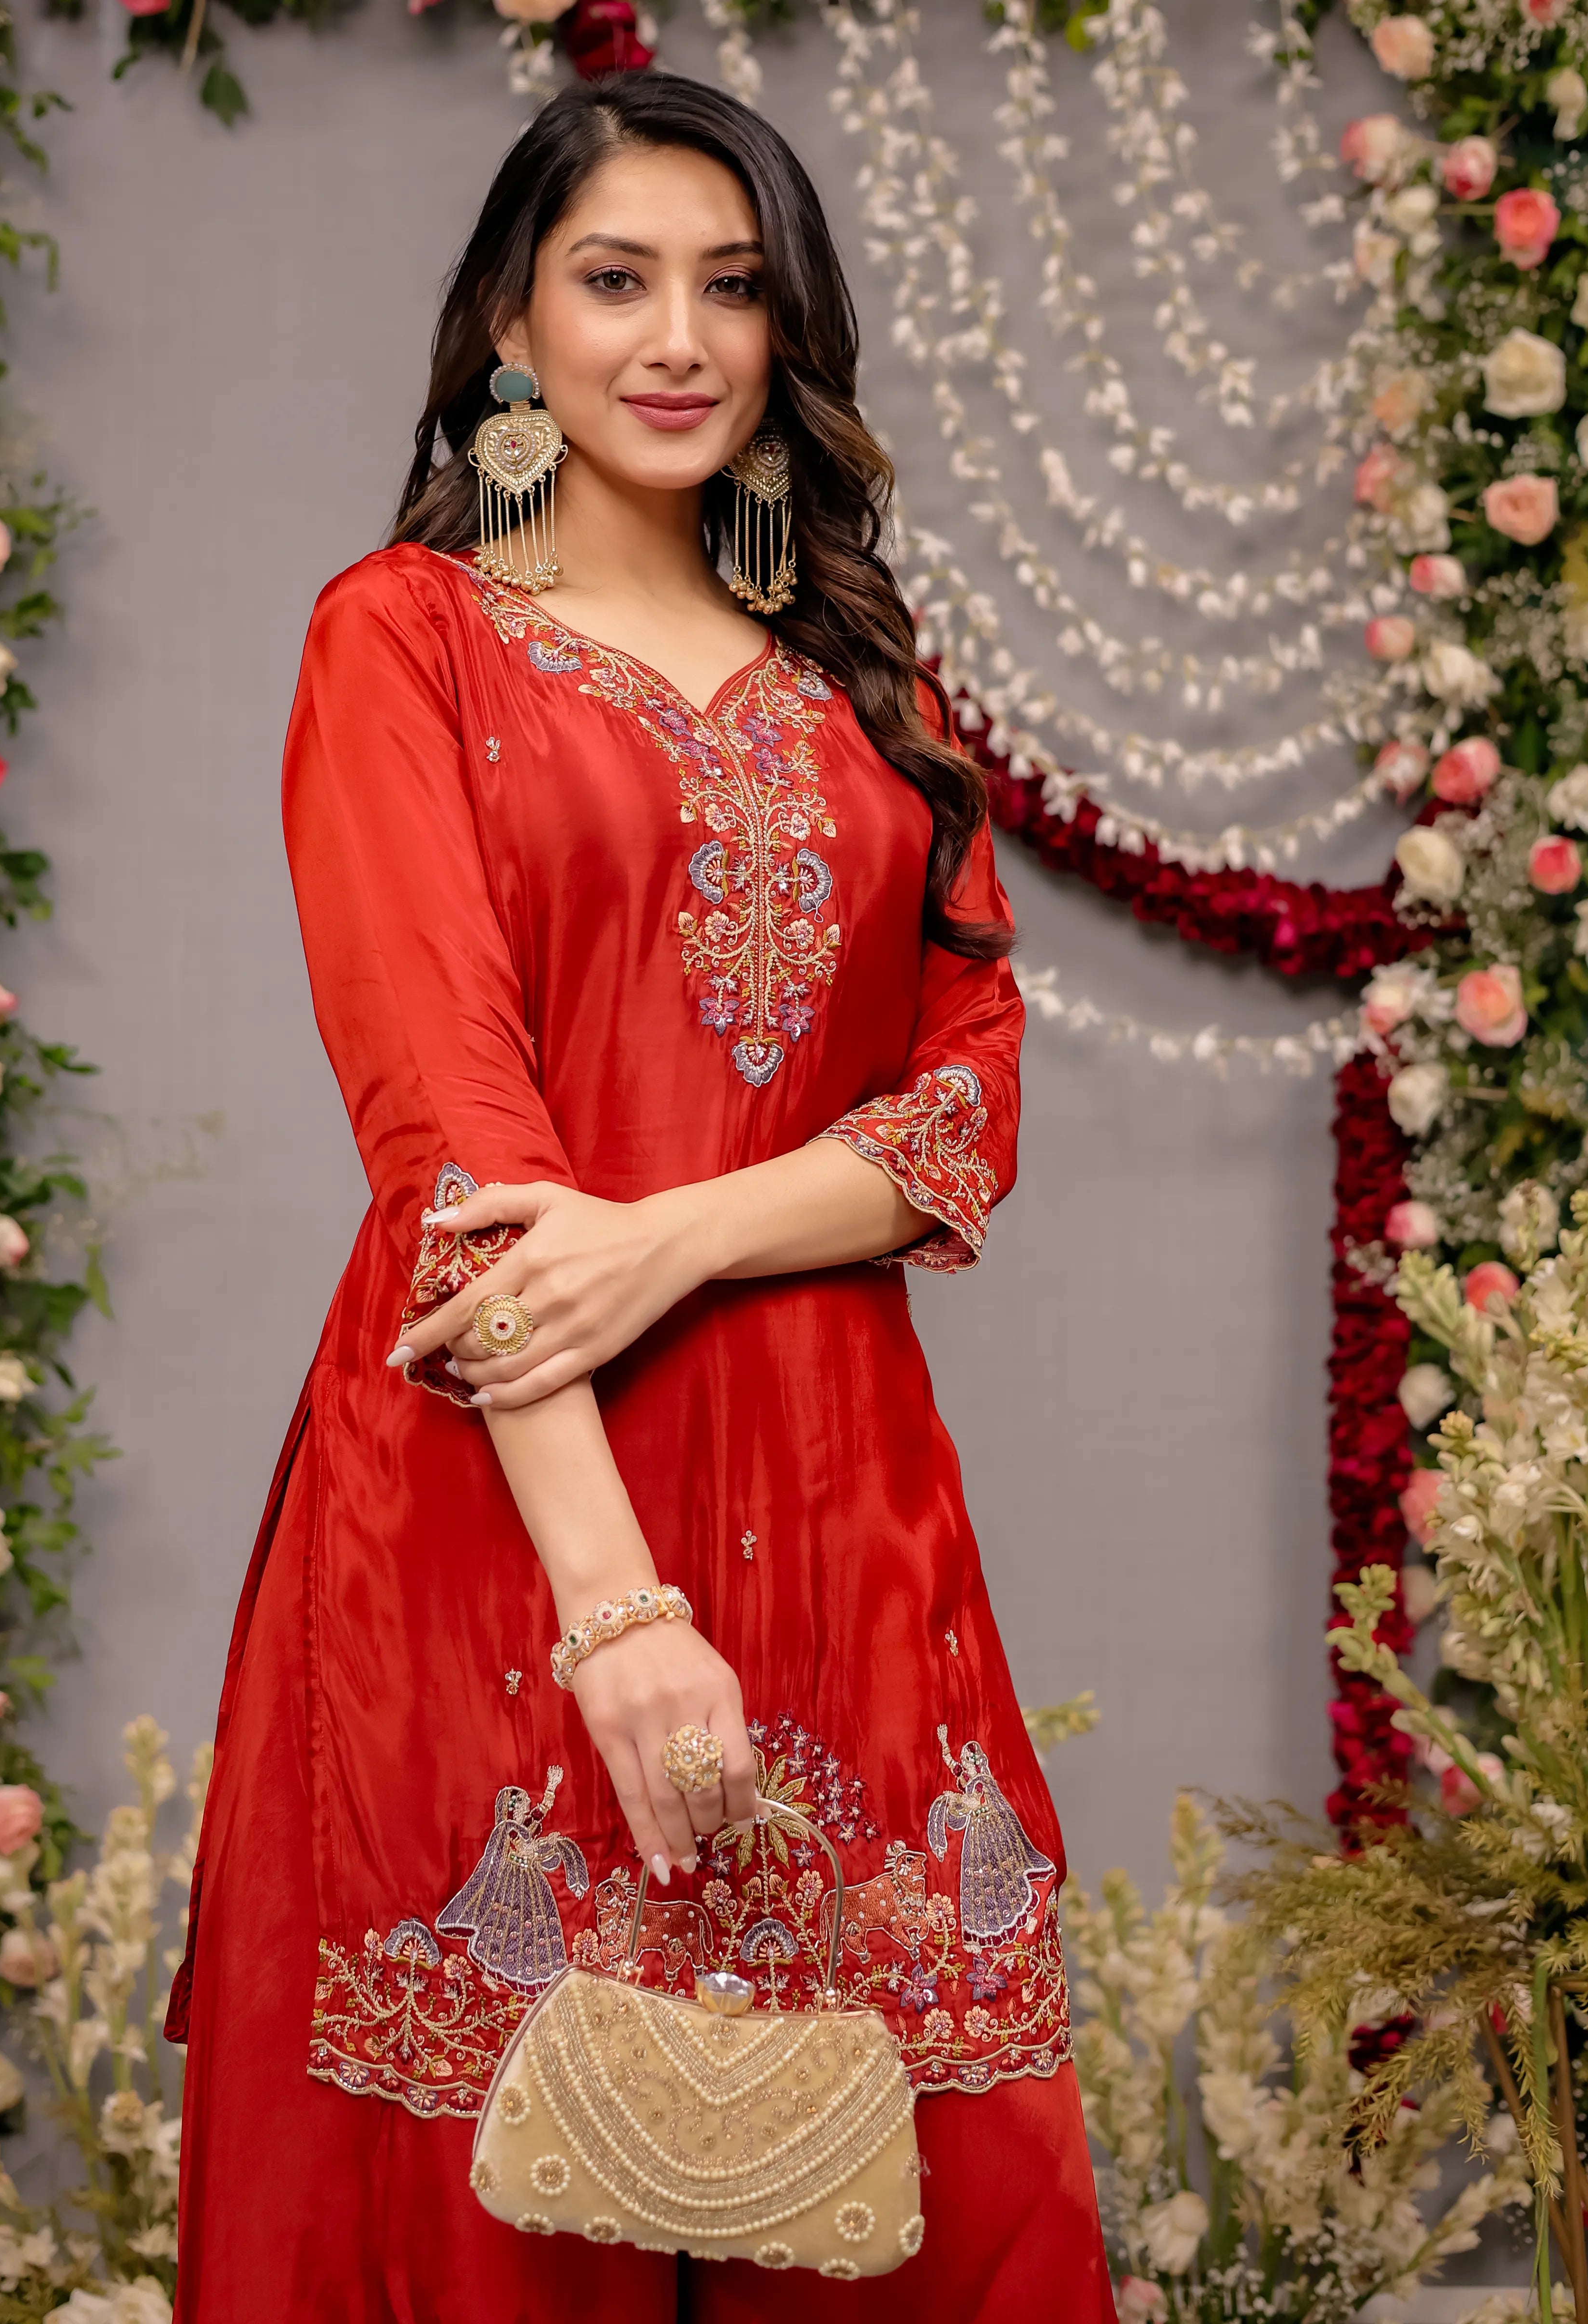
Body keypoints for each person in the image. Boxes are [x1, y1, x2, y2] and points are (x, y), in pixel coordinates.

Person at [171, 70, 1117, 2324]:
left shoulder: (861, 675)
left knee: (906, 2192)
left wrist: (673, 1231)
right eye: (615, 281)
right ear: (512, 324)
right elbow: (455, 1148)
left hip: (837, 1487)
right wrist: (615, 1617)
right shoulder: (401, 637)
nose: (677, 338)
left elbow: (963, 1110)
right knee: (494, 2205)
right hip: (502, 1504)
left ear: (788, 334)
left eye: (732, 286)